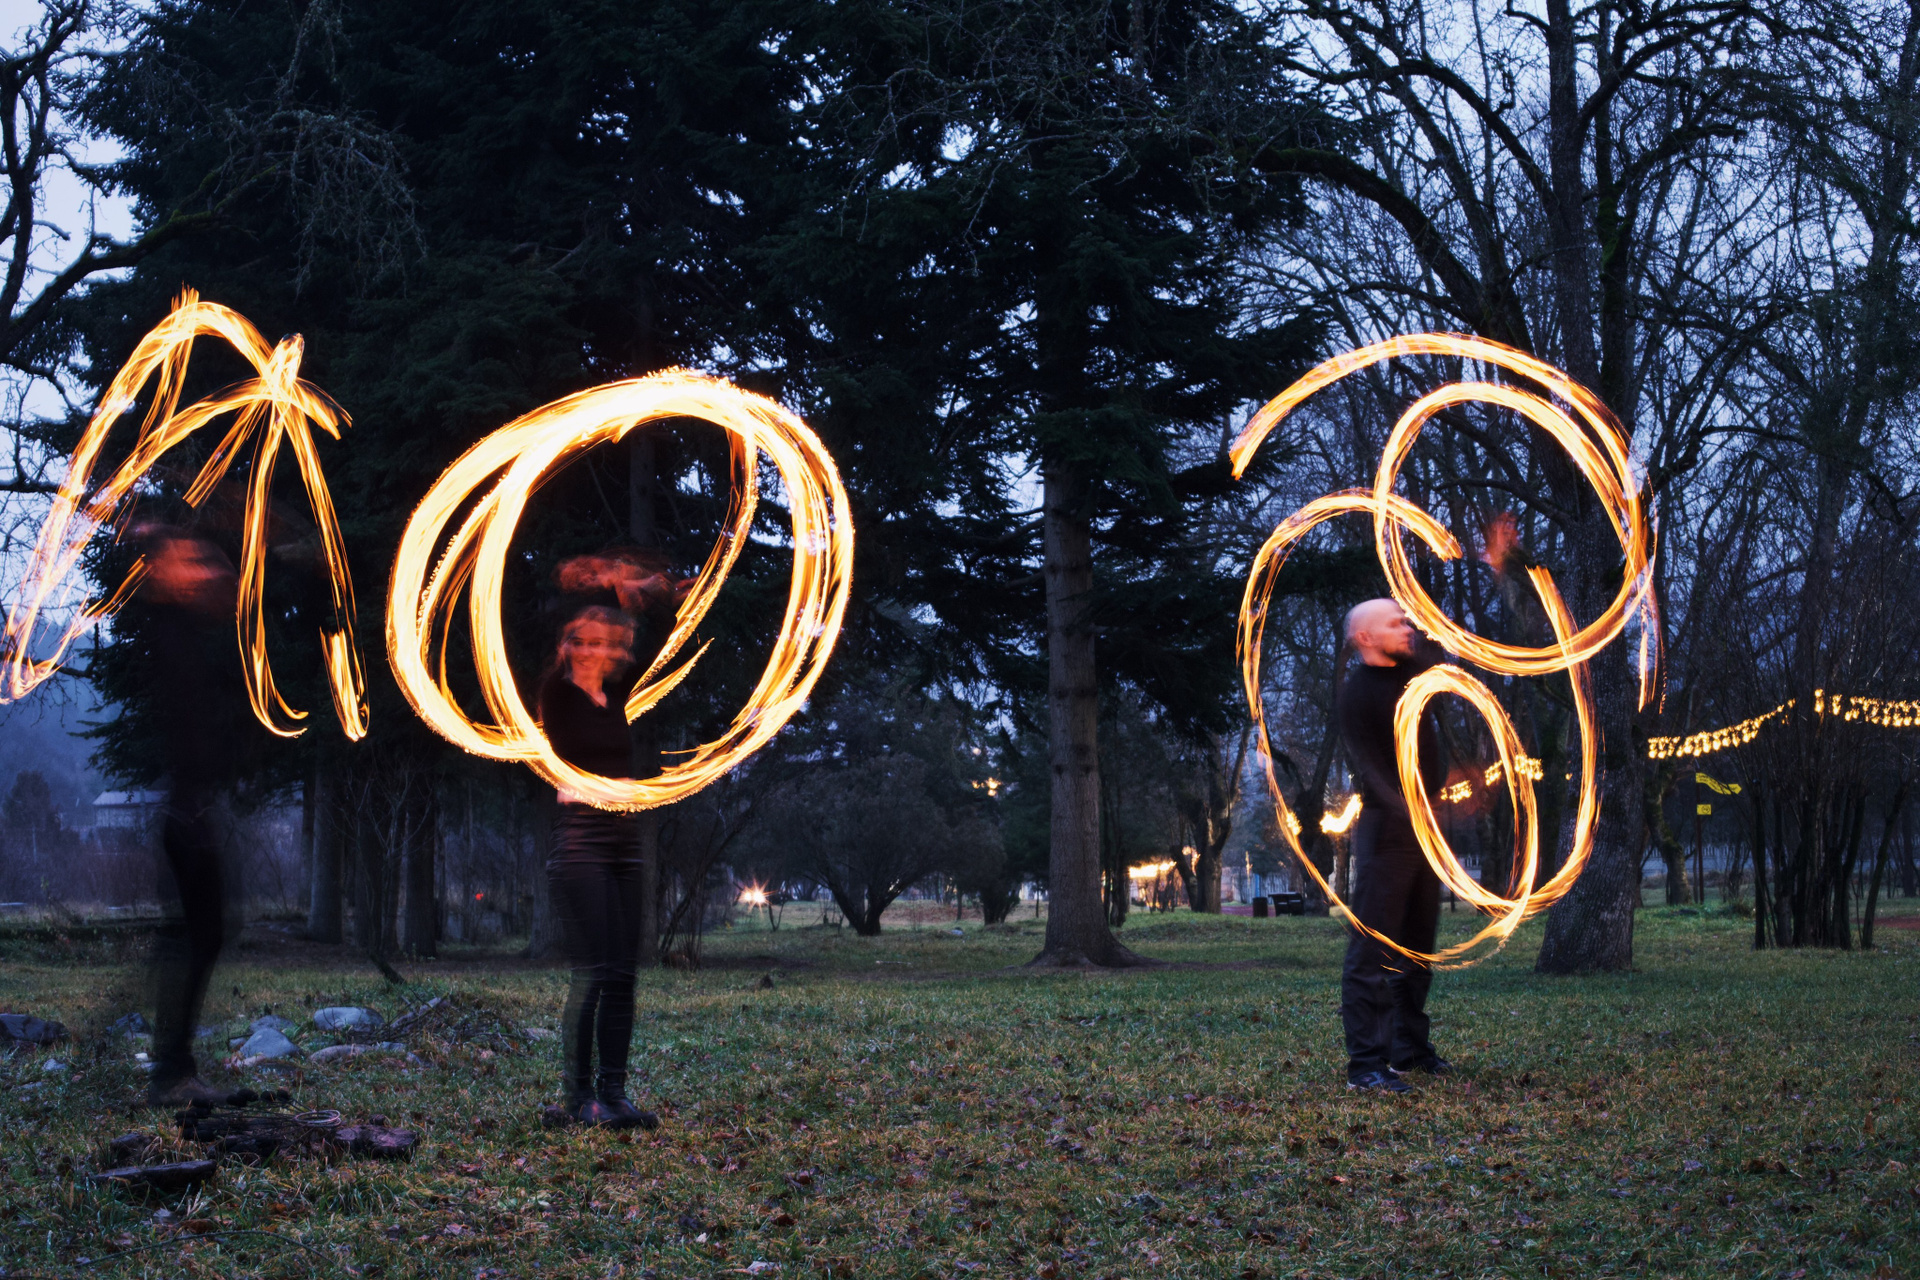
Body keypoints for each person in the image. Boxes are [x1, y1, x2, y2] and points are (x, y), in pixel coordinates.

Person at [538, 596, 660, 1130]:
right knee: (593, 973)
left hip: (623, 841)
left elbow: (659, 642)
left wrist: (638, 589)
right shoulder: (557, 695)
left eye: (600, 642)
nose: (590, 650)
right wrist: (612, 787)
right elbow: (565, 761)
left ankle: (614, 1094)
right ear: (567, 647)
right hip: (580, 839)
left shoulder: (616, 698)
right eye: (581, 641)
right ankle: (579, 1098)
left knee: (623, 975)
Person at [138, 527, 248, 1107]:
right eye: (190, 564)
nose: (204, 573)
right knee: (197, 935)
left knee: (200, 934)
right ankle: (171, 1072)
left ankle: (173, 1067)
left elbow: (223, 589)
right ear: (163, 574)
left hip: (193, 809)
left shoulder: (190, 632)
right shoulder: (170, 629)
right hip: (186, 813)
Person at [1335, 597, 1452, 1094]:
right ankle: (1366, 1066)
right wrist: (1408, 812)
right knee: (1374, 951)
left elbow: (1448, 659)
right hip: (1389, 832)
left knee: (1418, 949)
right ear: (1365, 638)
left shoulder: (1412, 672)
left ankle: (1410, 1050)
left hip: (1424, 828)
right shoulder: (1356, 695)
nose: (1406, 627)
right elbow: (1369, 769)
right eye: (1394, 623)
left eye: (1405, 620)